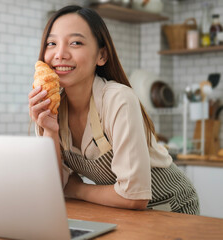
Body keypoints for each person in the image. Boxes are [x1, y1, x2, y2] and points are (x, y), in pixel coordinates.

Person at [28, 5, 199, 215]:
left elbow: (134, 196)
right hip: (123, 211)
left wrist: (78, 189)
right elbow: (56, 186)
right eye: (51, 43)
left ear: (101, 55)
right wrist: (50, 131)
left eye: (75, 43)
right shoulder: (49, 108)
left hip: (171, 209)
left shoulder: (119, 99)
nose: (60, 54)